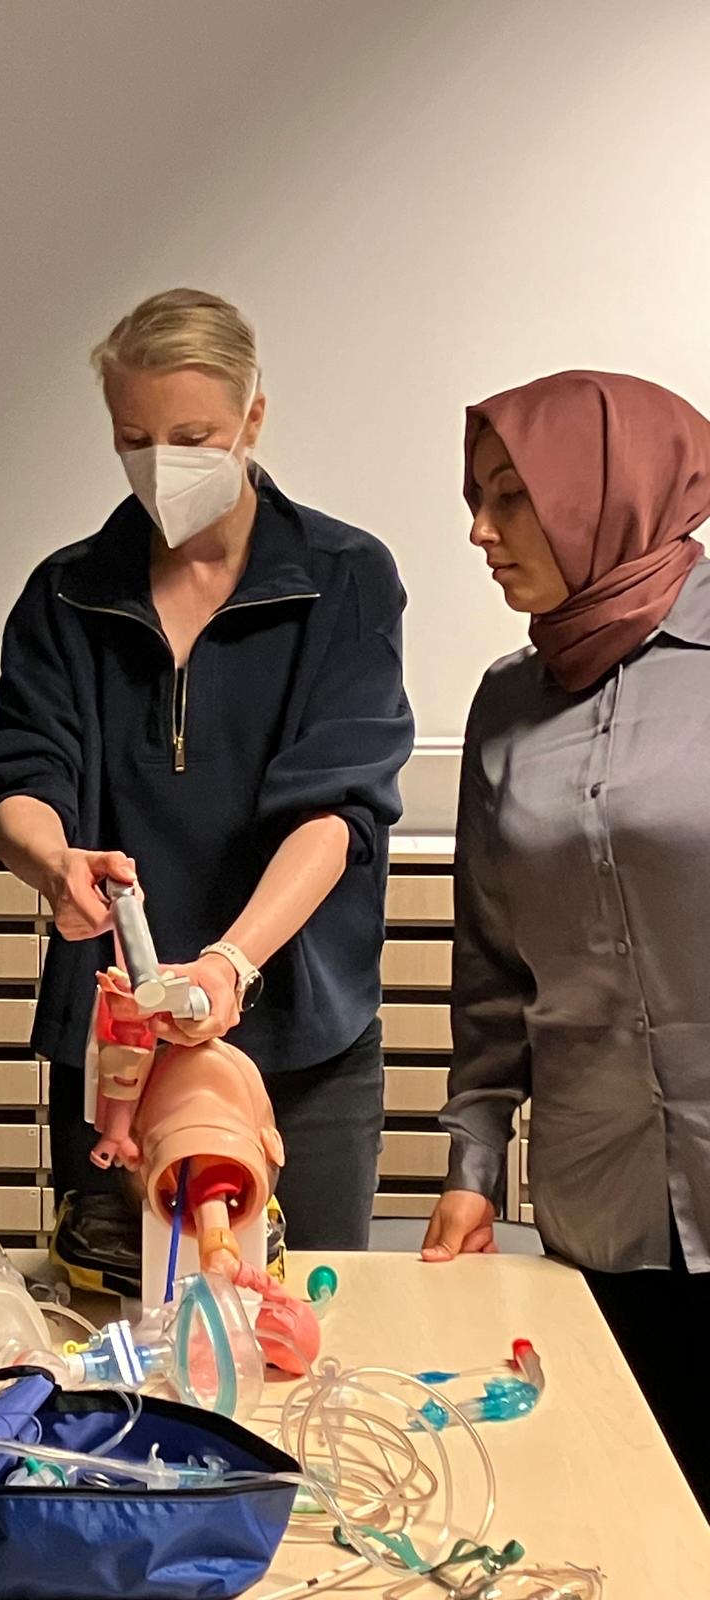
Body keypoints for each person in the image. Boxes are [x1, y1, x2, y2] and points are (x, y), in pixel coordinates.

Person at [0, 288, 414, 1250]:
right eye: (135, 439)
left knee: (304, 1304)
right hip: (118, 1045)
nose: (162, 464)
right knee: (117, 1306)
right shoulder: (68, 594)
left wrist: (232, 963)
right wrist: (53, 862)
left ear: (253, 417)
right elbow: (24, 769)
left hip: (300, 1034)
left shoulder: (343, 578)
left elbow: (339, 809)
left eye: (194, 438)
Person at [420, 370, 710, 1517]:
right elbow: (490, 966)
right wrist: (473, 1166)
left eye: (512, 496)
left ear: (603, 492)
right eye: (475, 498)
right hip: (599, 1196)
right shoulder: (507, 703)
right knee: (624, 1505)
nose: (481, 532)